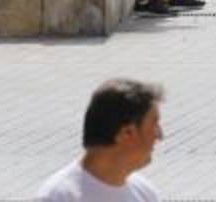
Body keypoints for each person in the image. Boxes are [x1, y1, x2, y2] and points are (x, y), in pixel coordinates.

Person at [36, 79, 166, 202]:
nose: (159, 135)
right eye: (154, 125)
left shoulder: (145, 193)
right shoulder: (58, 197)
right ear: (127, 133)